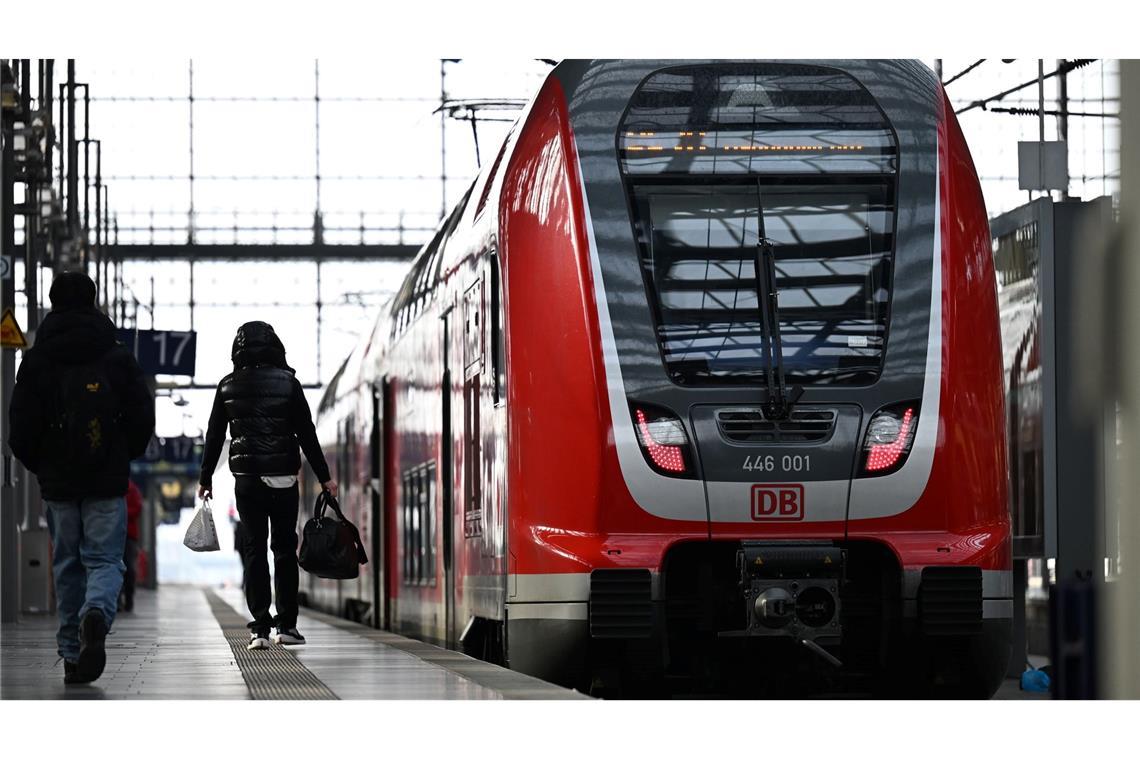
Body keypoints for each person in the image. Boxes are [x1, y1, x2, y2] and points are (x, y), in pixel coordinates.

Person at [8, 271, 155, 685]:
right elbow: (143, 415)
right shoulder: (115, 354)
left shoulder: (37, 359)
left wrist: (43, 465)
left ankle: (73, 653)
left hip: (59, 482)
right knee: (105, 559)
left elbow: (19, 426)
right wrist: (121, 454)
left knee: (67, 561)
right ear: (94, 301)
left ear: (52, 302)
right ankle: (97, 613)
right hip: (106, 479)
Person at [197, 321, 336, 651]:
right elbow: (307, 433)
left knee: (254, 550)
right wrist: (324, 476)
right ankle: (287, 626)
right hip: (283, 479)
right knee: (284, 550)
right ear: (275, 345)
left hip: (246, 482)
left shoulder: (227, 386)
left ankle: (259, 628)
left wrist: (205, 479)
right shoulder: (289, 383)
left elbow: (215, 435)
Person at [120, 479, 143, 612]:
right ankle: (116, 601)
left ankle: (128, 599)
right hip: (115, 534)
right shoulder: (130, 488)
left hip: (129, 534)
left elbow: (138, 508)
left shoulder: (131, 488)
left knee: (129, 567)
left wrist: (121, 513)